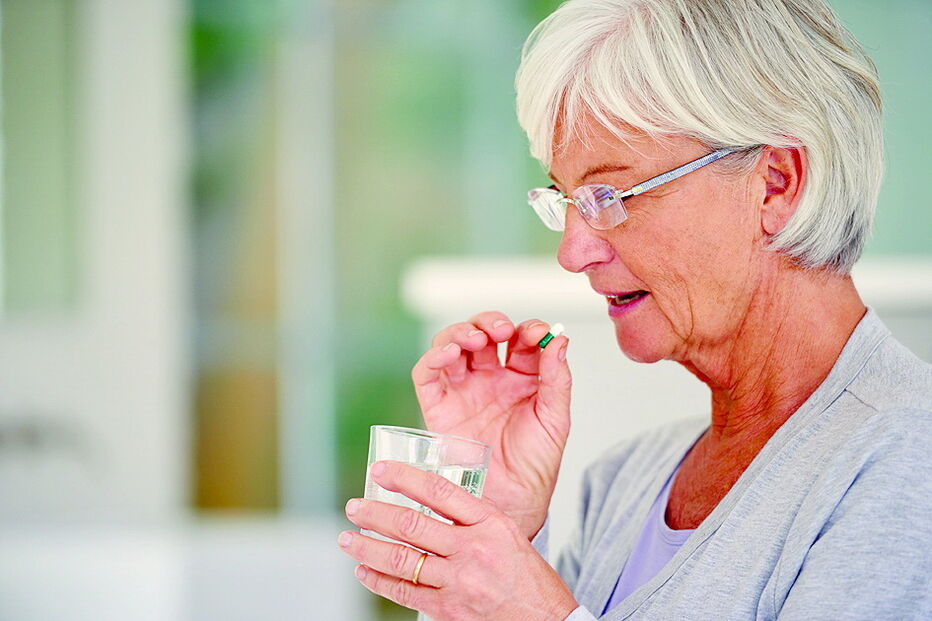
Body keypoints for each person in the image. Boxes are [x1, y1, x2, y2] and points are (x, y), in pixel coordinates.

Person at [337, 0, 932, 619]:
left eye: (611, 193)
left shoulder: (909, 462)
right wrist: (502, 530)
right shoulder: (626, 481)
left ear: (777, 183)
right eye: (566, 198)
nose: (573, 252)